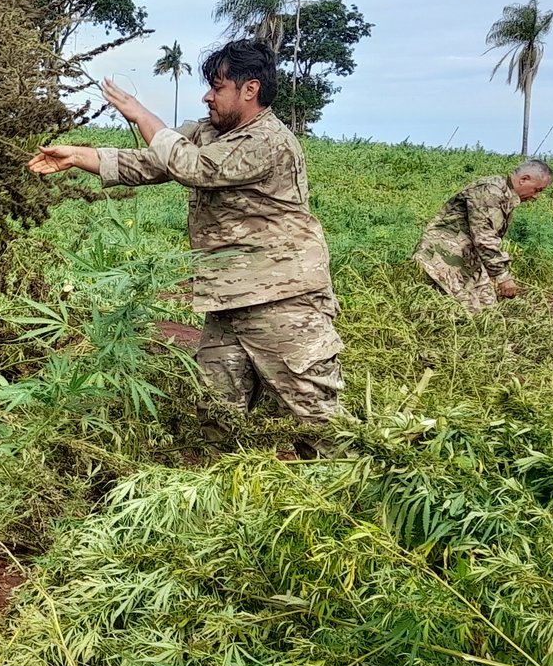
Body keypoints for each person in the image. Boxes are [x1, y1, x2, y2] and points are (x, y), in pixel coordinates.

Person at [27, 39, 344, 430]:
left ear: (250, 90)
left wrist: (141, 115)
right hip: (228, 297)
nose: (208, 97)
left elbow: (194, 168)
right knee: (214, 413)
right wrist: (78, 156)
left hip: (281, 299)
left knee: (314, 417)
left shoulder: (269, 142)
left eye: (218, 87)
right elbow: (149, 163)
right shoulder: (209, 133)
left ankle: (344, 481)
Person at [412, 160, 553, 309]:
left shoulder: (504, 193)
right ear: (524, 179)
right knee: (464, 311)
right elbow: (484, 238)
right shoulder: (489, 192)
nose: (536, 196)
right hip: (443, 255)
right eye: (537, 190)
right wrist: (502, 276)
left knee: (488, 308)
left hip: (466, 255)